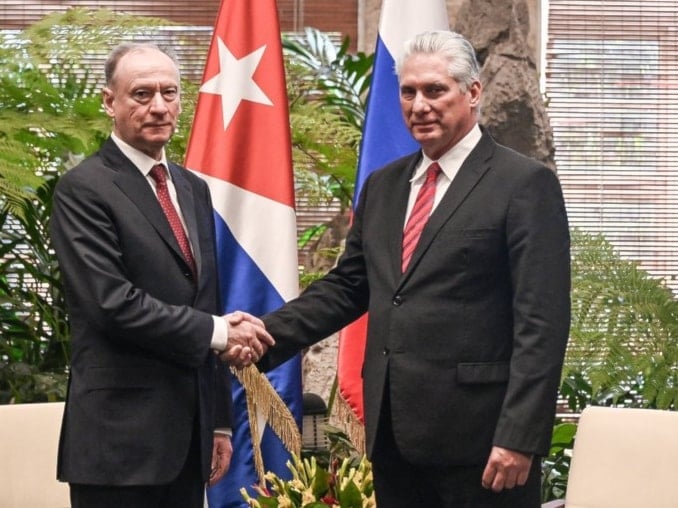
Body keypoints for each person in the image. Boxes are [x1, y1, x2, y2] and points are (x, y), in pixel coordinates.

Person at [256, 30, 570, 507]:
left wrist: (518, 437)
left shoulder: (524, 185)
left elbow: (542, 324)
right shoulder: (384, 186)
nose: (419, 105)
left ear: (473, 92)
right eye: (409, 91)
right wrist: (261, 337)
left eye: (435, 90)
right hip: (395, 439)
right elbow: (348, 287)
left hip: (483, 445)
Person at [49, 42, 273, 508]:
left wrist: (216, 421)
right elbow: (112, 303)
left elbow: (204, 300)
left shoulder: (192, 188)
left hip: (188, 443)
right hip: (117, 449)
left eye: (169, 93)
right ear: (109, 102)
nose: (158, 107)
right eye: (141, 94)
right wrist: (219, 332)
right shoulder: (83, 190)